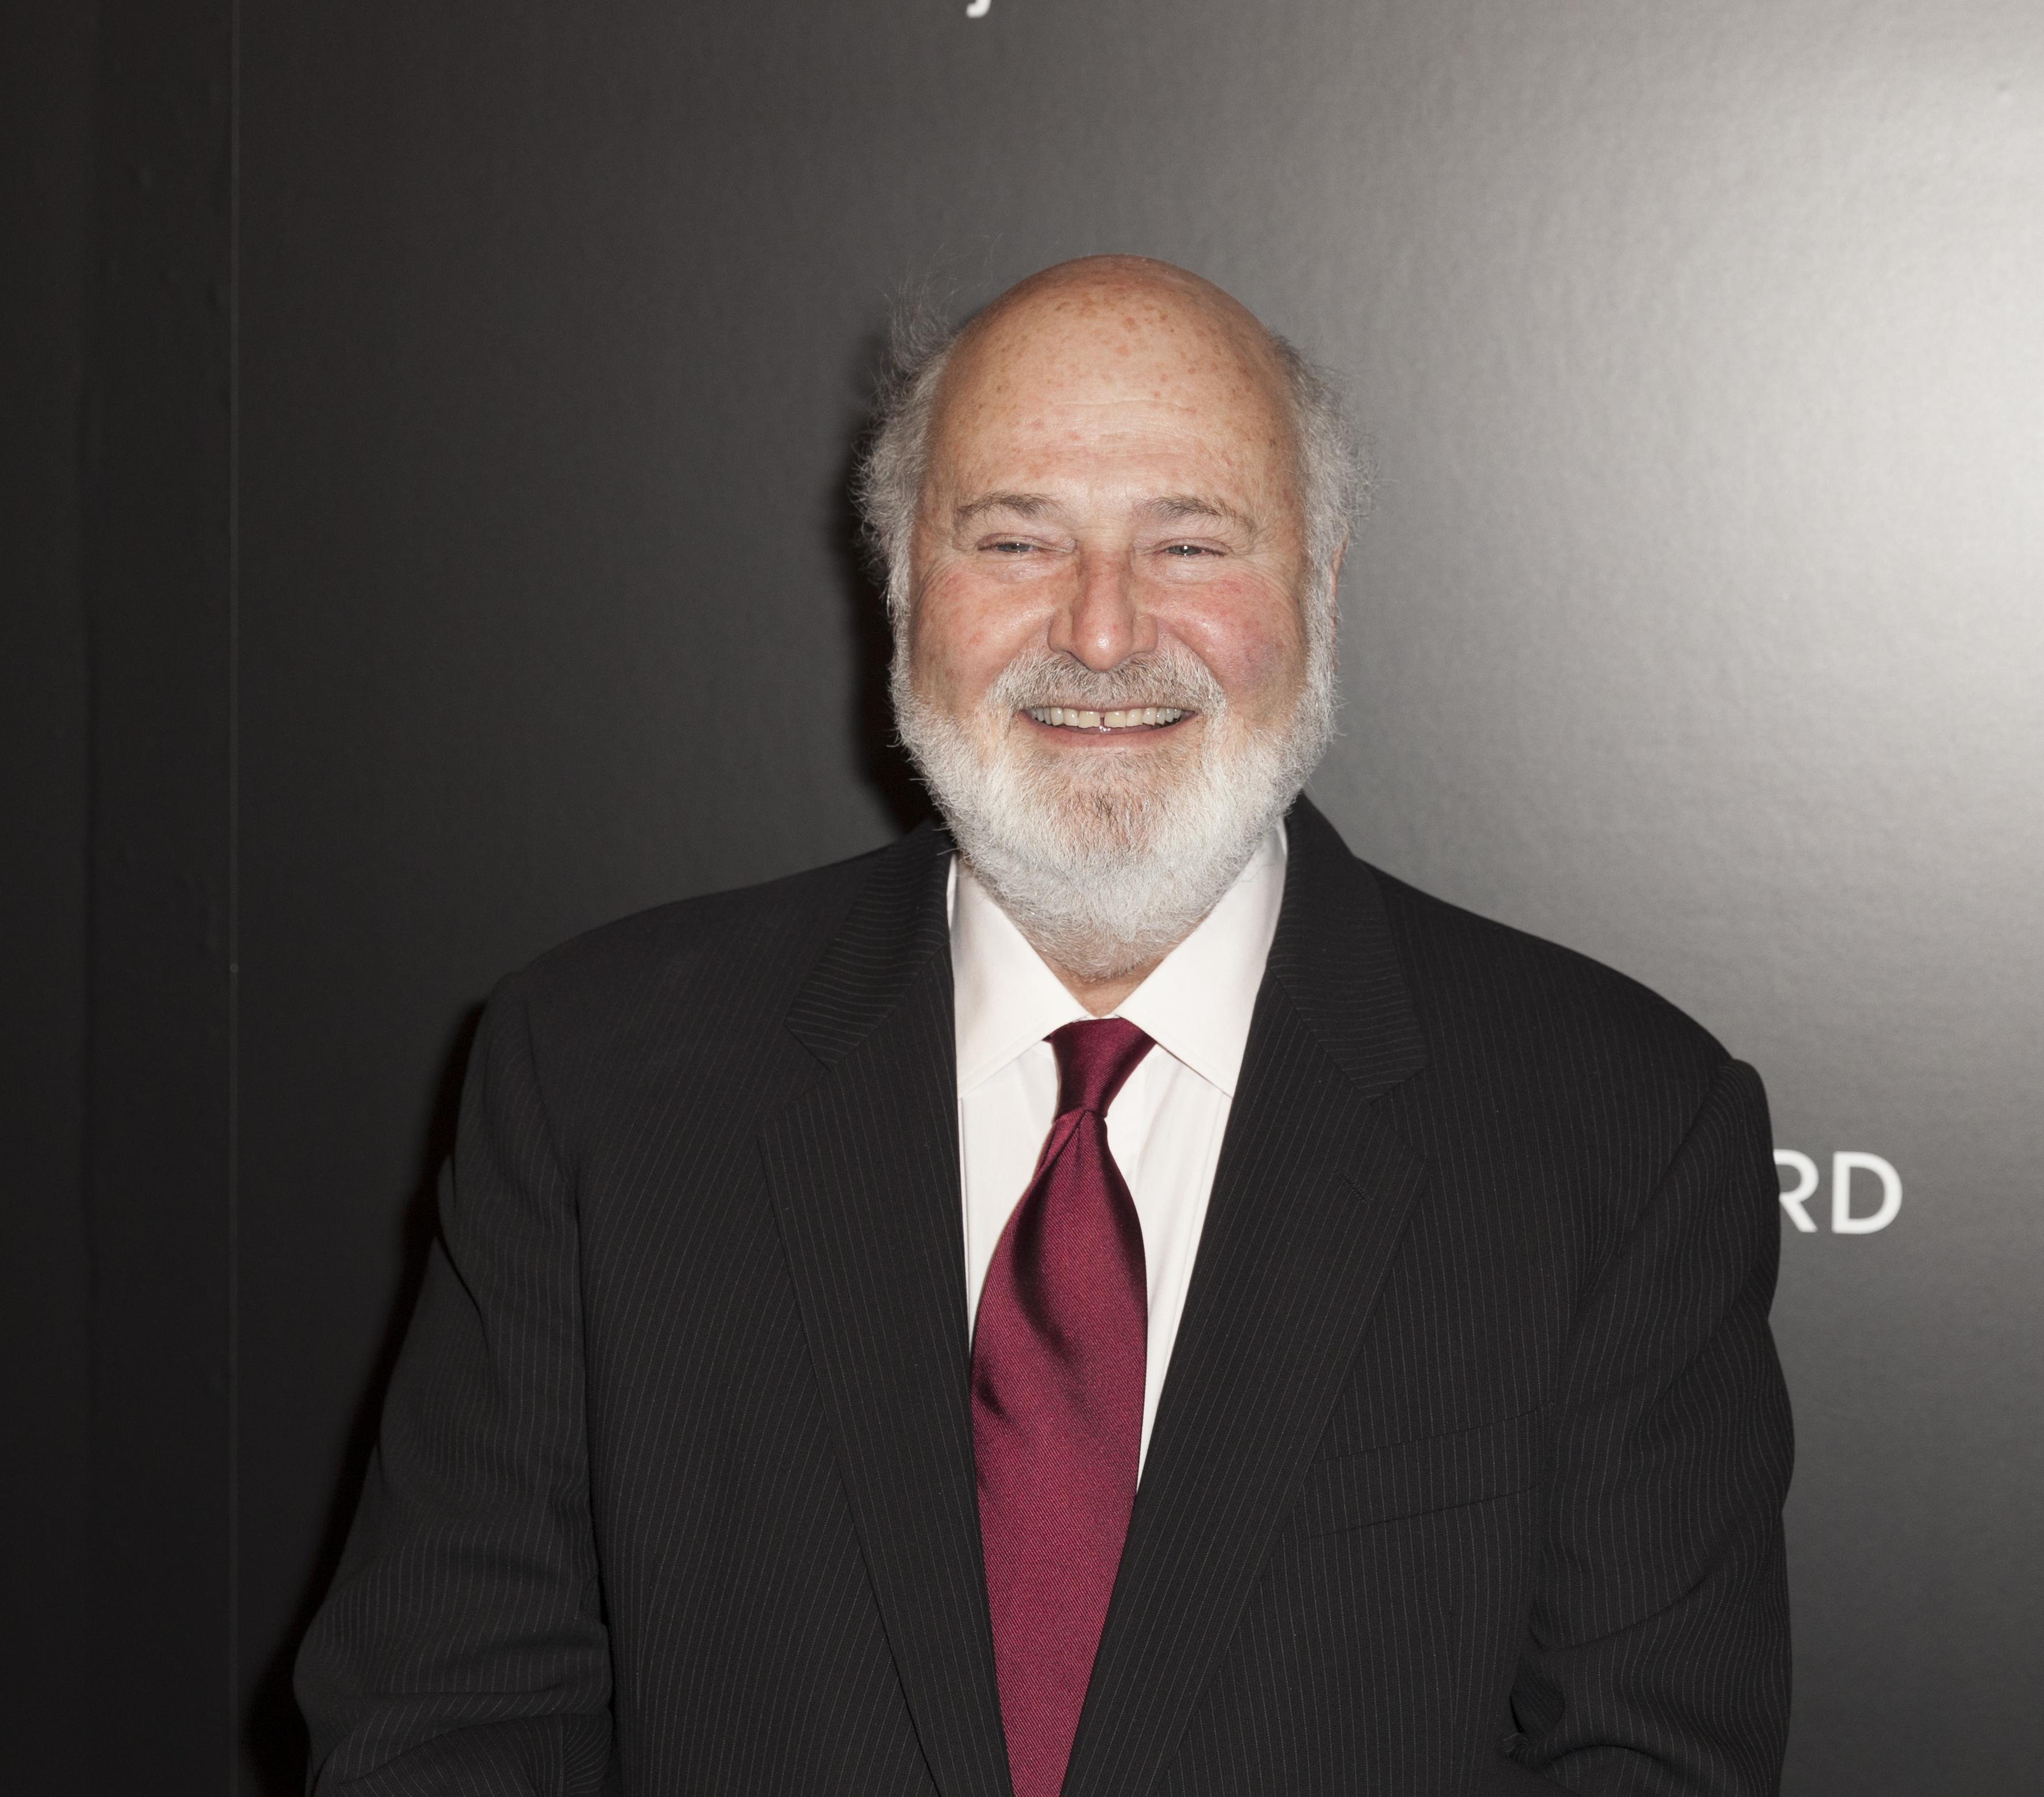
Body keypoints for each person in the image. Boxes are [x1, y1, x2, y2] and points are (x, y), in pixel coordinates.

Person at [297, 256, 1792, 1797]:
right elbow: (448, 1713)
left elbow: (1651, 1758)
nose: (1097, 631)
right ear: (901, 593)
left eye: (1190, 540)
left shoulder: (1618, 1125)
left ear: (1320, 584)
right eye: (1015, 537)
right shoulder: (597, 1078)